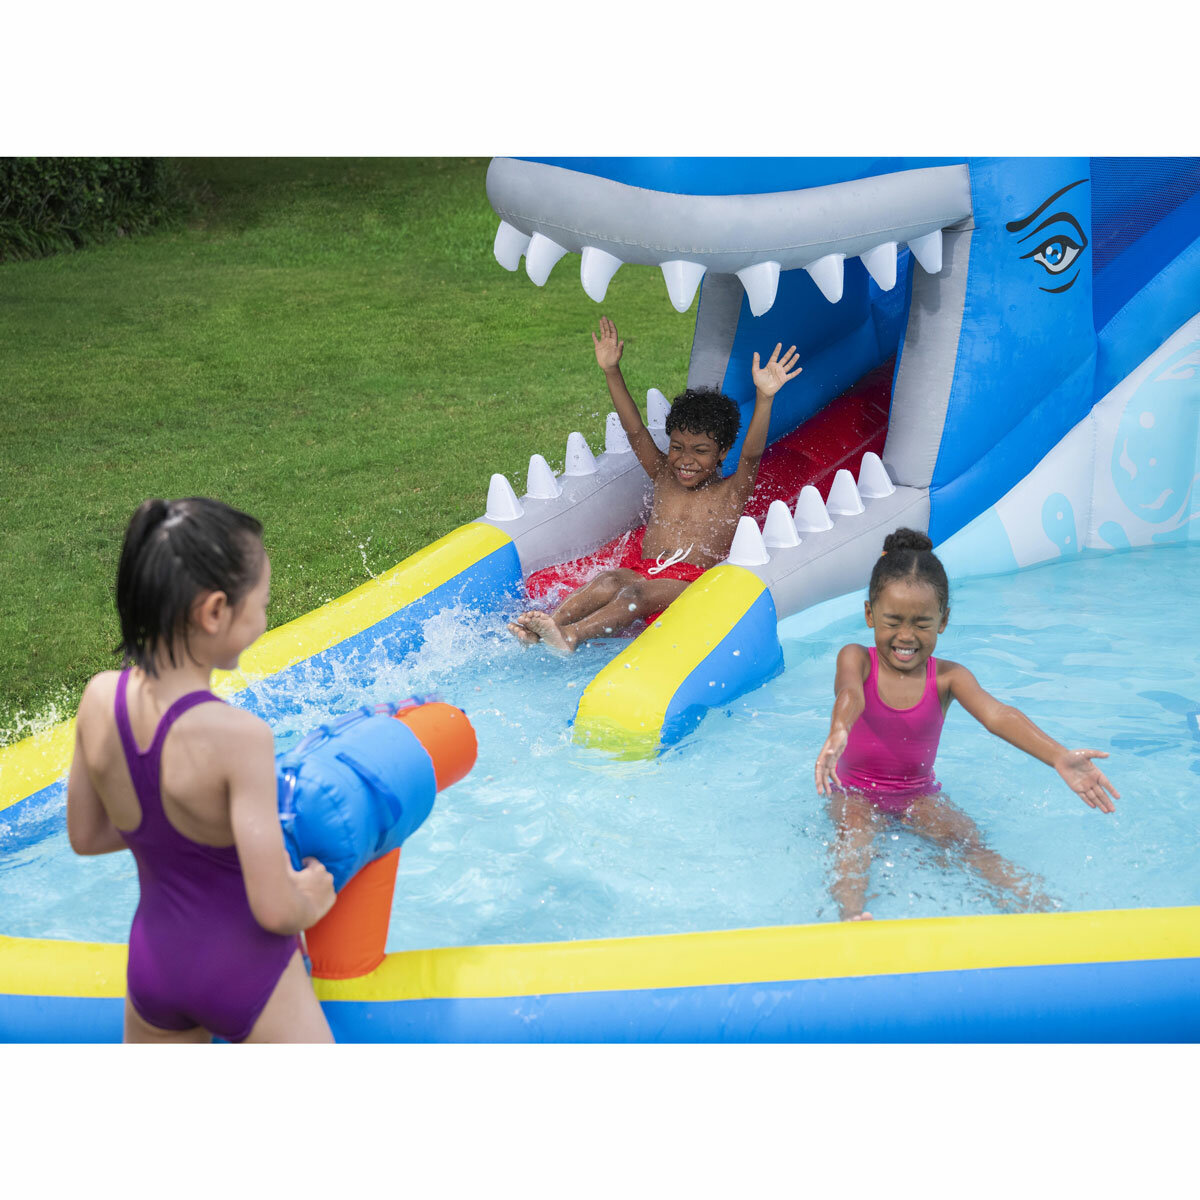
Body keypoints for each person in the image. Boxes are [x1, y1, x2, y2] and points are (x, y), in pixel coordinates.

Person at [67, 497, 337, 1042]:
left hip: (154, 968)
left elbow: (88, 836)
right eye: (260, 602)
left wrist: (171, 832)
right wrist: (313, 893)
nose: (265, 614)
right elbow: (273, 908)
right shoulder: (239, 737)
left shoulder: (99, 698)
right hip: (246, 969)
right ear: (215, 611)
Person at [814, 528, 1119, 922]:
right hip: (854, 791)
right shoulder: (856, 657)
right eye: (892, 621)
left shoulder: (949, 678)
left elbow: (998, 715)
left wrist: (1058, 756)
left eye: (922, 623)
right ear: (870, 614)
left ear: (943, 620)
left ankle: (1043, 913)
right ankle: (852, 920)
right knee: (852, 840)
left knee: (967, 845)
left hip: (917, 795)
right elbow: (850, 695)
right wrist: (839, 729)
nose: (906, 636)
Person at [509, 316, 802, 652]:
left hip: (689, 583)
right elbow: (635, 430)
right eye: (677, 447)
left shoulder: (730, 492)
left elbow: (751, 455)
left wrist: (764, 397)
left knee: (634, 594)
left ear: (722, 452)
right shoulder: (665, 475)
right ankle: (550, 625)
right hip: (644, 571)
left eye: (701, 451)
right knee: (608, 581)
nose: (685, 460)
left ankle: (572, 637)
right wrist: (611, 371)